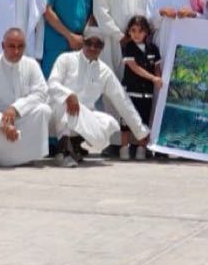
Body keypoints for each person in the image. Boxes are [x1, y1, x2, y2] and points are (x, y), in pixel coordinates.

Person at [47, 27, 151, 166]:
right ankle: (63, 151)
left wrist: (141, 132)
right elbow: (52, 84)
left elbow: (122, 101)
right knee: (65, 105)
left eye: (97, 45)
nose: (92, 48)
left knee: (109, 123)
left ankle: (75, 144)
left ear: (102, 47)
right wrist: (68, 95)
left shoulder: (104, 71)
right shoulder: (66, 59)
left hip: (83, 115)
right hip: (56, 115)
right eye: (89, 43)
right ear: (83, 42)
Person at [0, 27, 51, 167]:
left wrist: (16, 109)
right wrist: (2, 122)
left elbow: (41, 93)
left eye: (20, 47)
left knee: (44, 110)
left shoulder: (31, 65)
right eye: (12, 46)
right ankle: (0, 155)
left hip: (21, 118)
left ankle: (21, 155)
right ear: (3, 46)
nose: (16, 51)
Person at [120, 16, 161, 160]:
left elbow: (157, 68)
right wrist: (153, 78)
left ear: (147, 32)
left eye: (140, 31)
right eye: (133, 30)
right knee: (126, 121)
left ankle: (141, 148)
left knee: (144, 121)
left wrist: (159, 79)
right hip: (130, 92)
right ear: (129, 31)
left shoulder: (153, 49)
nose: (137, 34)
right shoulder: (128, 47)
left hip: (147, 94)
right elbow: (134, 67)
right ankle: (124, 148)